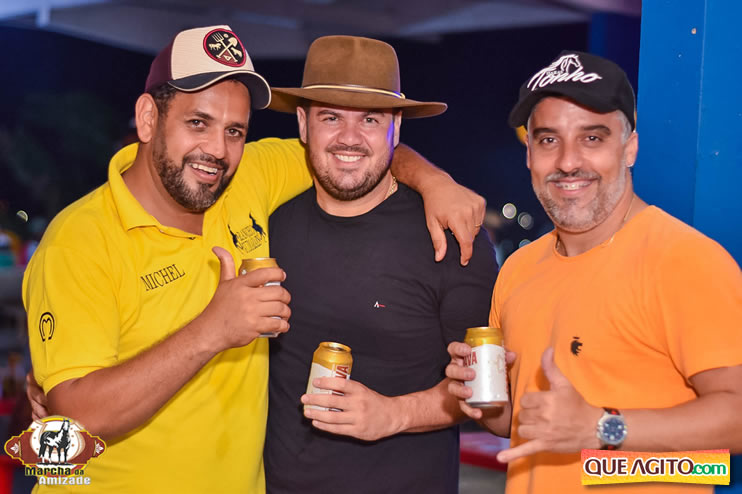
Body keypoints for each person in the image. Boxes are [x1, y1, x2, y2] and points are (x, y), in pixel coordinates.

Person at [22, 25, 486, 493]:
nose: (217, 150)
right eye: (197, 123)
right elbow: (75, 417)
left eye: (235, 131)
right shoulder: (79, 240)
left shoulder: (247, 178)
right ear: (147, 118)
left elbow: (352, 152)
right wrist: (212, 330)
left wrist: (435, 181)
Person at [446, 50, 742, 494]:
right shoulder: (520, 268)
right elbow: (516, 423)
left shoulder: (684, 259)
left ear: (630, 148)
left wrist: (603, 428)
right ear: (529, 154)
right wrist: (481, 395)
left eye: (592, 138)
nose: (568, 162)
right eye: (549, 140)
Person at [263, 36, 498, 493]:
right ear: (303, 124)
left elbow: (488, 390)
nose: (350, 138)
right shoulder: (271, 228)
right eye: (331, 117)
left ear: (396, 128)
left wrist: (395, 414)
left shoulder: (451, 239)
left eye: (370, 119)